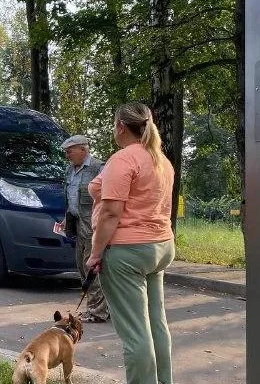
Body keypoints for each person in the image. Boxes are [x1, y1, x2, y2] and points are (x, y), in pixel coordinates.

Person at [86, 102, 176, 384]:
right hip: (161, 245)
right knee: (156, 322)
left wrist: (95, 254)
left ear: (120, 127)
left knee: (136, 332)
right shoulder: (162, 160)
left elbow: (112, 213)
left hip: (127, 251)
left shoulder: (123, 160)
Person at [61, 134, 109, 323]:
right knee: (82, 267)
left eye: (69, 151)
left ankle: (98, 312)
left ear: (83, 149)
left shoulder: (99, 168)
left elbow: (108, 199)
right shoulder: (70, 170)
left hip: (94, 227)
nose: (67, 155)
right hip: (78, 225)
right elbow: (71, 197)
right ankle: (93, 307)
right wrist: (66, 218)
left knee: (92, 269)